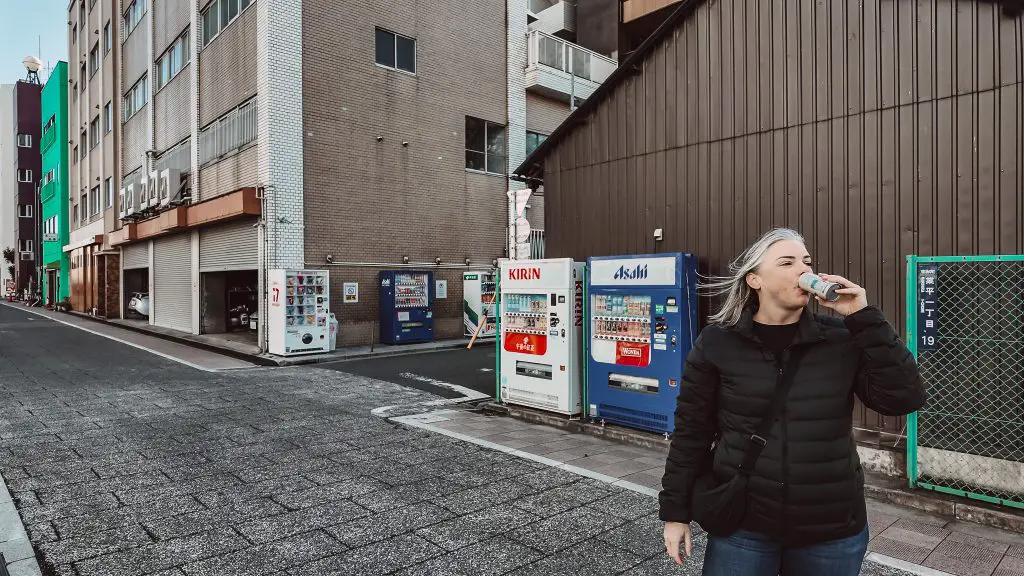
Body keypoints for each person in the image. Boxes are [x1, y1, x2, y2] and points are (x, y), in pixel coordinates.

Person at [659, 228, 925, 576]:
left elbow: (903, 398)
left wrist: (863, 316)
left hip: (831, 526)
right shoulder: (718, 343)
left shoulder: (842, 338)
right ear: (754, 279)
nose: (804, 270)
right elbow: (691, 431)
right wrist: (675, 512)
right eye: (787, 262)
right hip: (743, 522)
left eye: (807, 262)